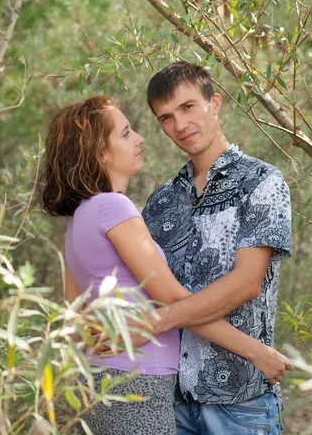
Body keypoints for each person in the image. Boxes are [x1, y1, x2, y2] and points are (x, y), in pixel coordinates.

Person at [42, 95, 292, 435]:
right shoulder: (115, 208)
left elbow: (74, 316)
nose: (140, 139)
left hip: (95, 381)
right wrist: (257, 352)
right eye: (126, 133)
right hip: (137, 384)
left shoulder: (79, 219)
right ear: (100, 152)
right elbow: (174, 299)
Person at [139, 60, 292, 434]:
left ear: (215, 103)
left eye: (188, 107)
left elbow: (246, 283)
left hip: (241, 402)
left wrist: (159, 321)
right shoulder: (160, 203)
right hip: (171, 400)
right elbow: (148, 289)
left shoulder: (261, 182)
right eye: (166, 117)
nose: (180, 125)